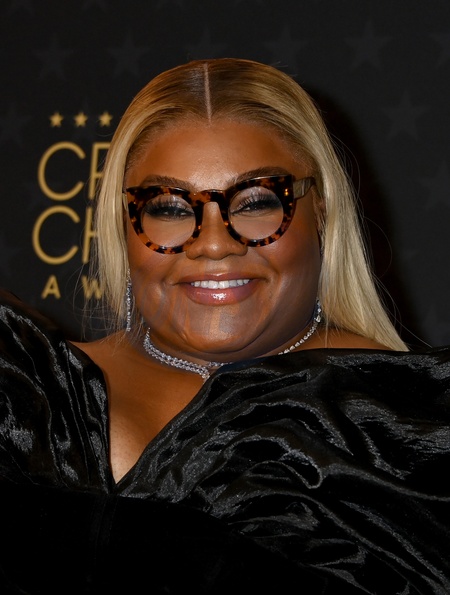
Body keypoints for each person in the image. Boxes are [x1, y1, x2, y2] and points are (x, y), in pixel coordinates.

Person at [0, 58, 448, 594]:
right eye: (169, 208)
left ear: (322, 212)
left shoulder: (410, 424)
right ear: (124, 224)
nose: (213, 244)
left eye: (256, 203)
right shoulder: (26, 389)